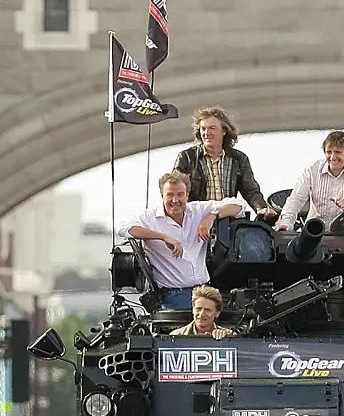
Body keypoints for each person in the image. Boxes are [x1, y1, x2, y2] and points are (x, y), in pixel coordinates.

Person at [116, 172, 246, 309]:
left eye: (180, 194)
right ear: (162, 196)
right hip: (173, 296)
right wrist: (162, 236)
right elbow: (123, 228)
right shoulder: (149, 218)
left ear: (187, 195)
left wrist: (212, 216)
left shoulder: (198, 210)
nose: (175, 200)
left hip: (204, 292)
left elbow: (238, 206)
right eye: (170, 195)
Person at [171, 106, 276, 221]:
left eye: (212, 128)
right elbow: (174, 187)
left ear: (224, 131)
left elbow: (250, 190)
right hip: (195, 219)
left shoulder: (238, 158)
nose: (207, 133)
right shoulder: (187, 157)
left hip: (228, 218)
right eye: (203, 129)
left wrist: (262, 208)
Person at [275, 131, 344, 230]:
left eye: (337, 152)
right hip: (314, 231)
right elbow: (296, 199)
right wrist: (286, 222)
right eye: (329, 152)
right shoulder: (312, 169)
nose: (332, 157)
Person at [169, 286, 235, 340]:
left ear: (217, 313)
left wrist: (225, 340)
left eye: (207, 310)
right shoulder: (176, 336)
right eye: (198, 309)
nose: (201, 314)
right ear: (193, 309)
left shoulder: (230, 336)